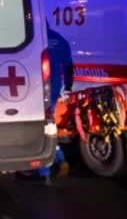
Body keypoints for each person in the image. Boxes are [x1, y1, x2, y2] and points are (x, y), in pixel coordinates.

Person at [37, 20, 74, 183]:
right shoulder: (59, 39)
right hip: (53, 89)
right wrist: (68, 86)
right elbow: (68, 66)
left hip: (35, 88)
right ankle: (59, 159)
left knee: (39, 129)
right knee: (48, 125)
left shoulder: (33, 39)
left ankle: (45, 171)